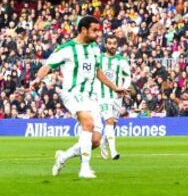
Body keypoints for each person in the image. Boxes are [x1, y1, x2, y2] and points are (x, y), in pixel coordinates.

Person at [30, 16, 128, 178]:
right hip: (72, 94)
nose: (98, 34)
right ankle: (84, 168)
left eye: (98, 30)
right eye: (94, 30)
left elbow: (98, 72)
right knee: (87, 123)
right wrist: (37, 79)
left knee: (95, 140)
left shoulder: (95, 49)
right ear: (83, 30)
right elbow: (48, 65)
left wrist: (115, 87)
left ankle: (64, 156)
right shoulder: (67, 48)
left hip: (91, 97)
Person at [96, 35, 131, 160]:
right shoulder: (99, 59)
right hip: (102, 95)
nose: (112, 46)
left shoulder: (122, 61)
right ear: (106, 45)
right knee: (109, 121)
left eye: (114, 43)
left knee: (113, 124)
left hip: (117, 97)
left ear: (117, 45)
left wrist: (123, 88)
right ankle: (114, 151)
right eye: (110, 43)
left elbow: (127, 77)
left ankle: (103, 143)